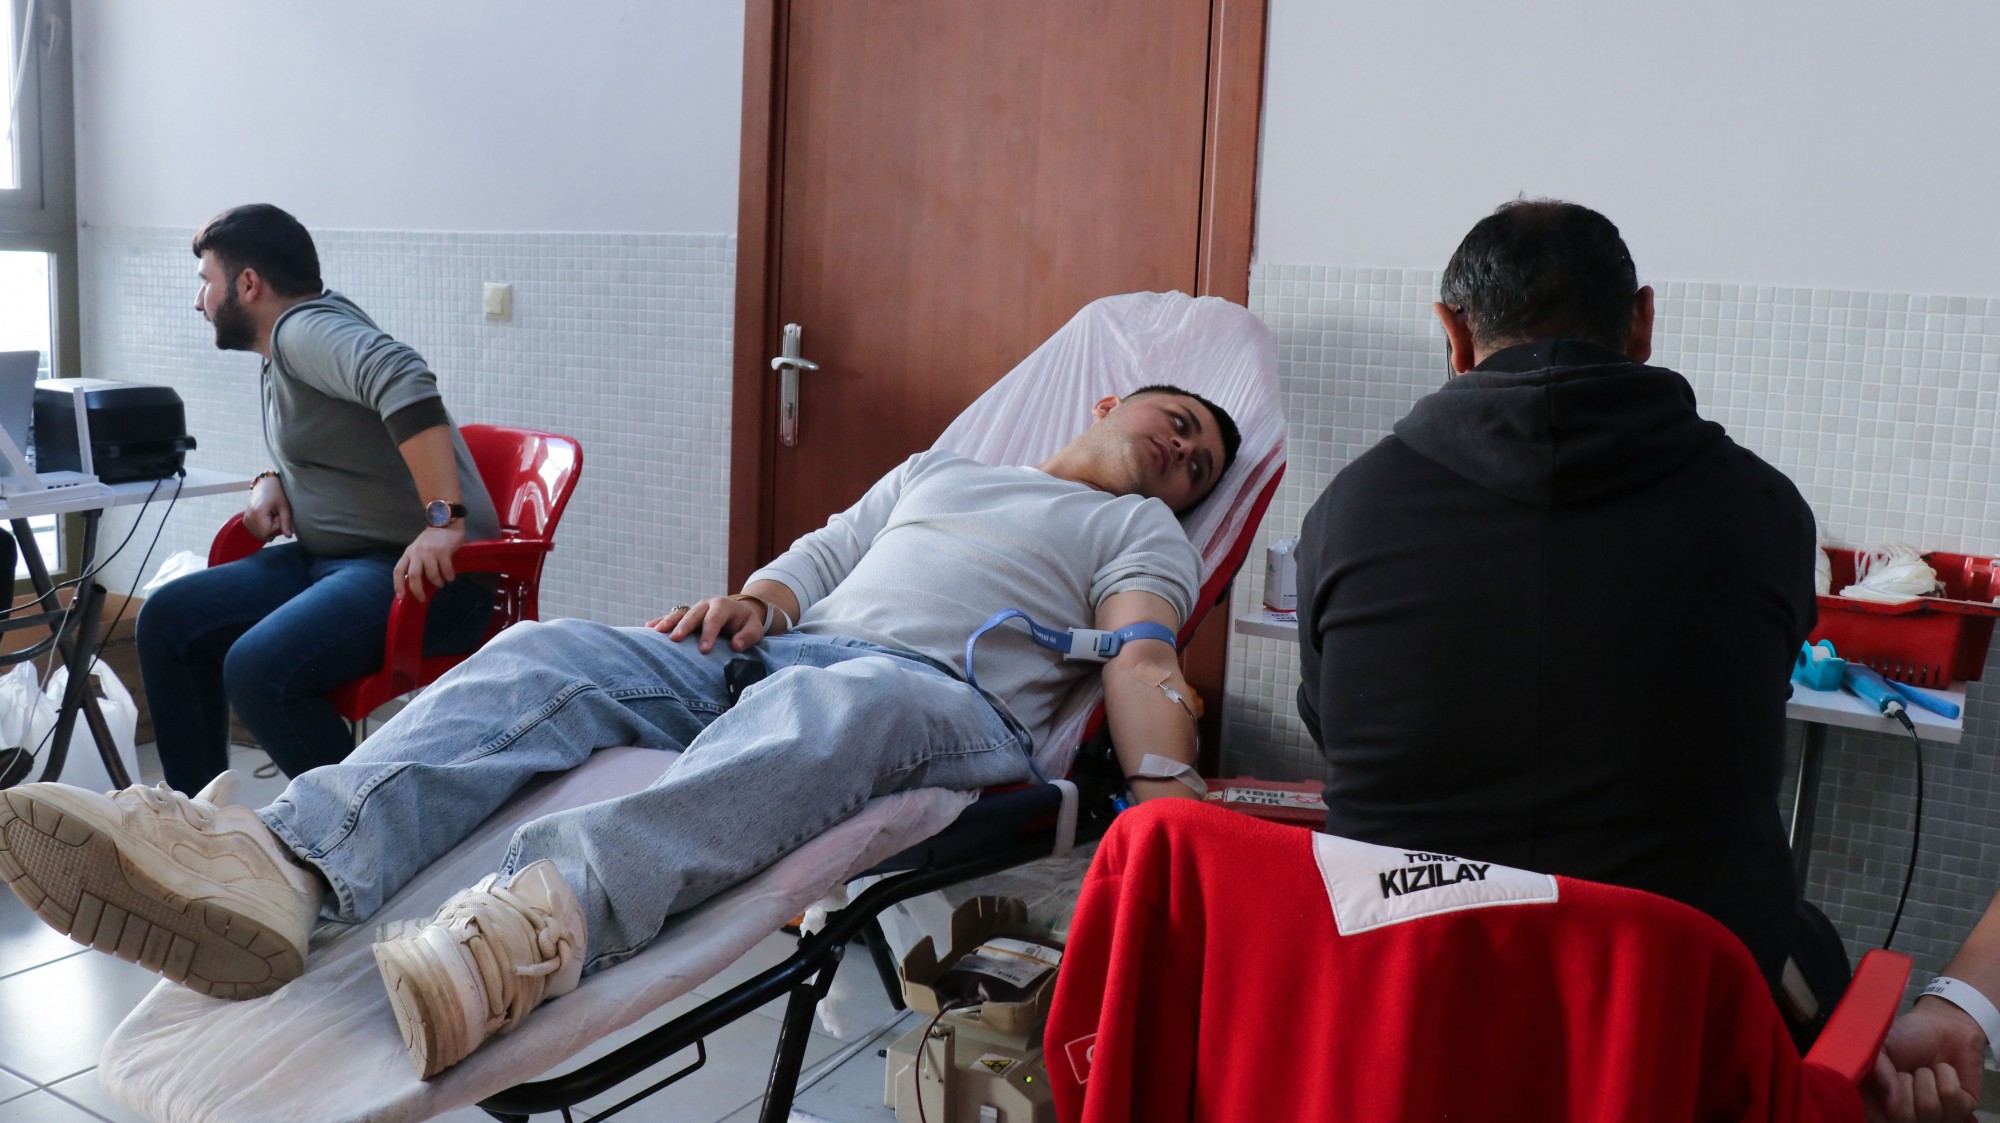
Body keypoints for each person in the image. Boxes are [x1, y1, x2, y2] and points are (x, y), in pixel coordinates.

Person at [0, 384, 1239, 1079]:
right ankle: (287, 863)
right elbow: (822, 556)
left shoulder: (1139, 534)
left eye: (1198, 462)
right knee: (548, 651)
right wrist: (755, 600)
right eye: (1177, 419)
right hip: (783, 649)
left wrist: (1165, 792)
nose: (1181, 451)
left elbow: (1138, 656)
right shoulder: (938, 470)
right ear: (1109, 399)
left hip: (931, 700)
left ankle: (530, 931)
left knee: (836, 706)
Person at [1294, 199, 1814, 986]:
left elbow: (1332, 726)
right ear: (1642, 323)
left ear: (1453, 334)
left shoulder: (1349, 510)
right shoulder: (1764, 509)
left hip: (1404, 998)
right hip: (1676, 1013)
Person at [137, 204, 498, 793]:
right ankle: (197, 822)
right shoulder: (285, 344)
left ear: (248, 284)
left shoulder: (302, 331)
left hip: (425, 579)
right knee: (167, 618)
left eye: (207, 282)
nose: (199, 301)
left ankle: (365, 829)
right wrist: (270, 478)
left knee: (258, 668)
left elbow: (402, 376)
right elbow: (332, 442)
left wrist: (443, 521)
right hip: (335, 560)